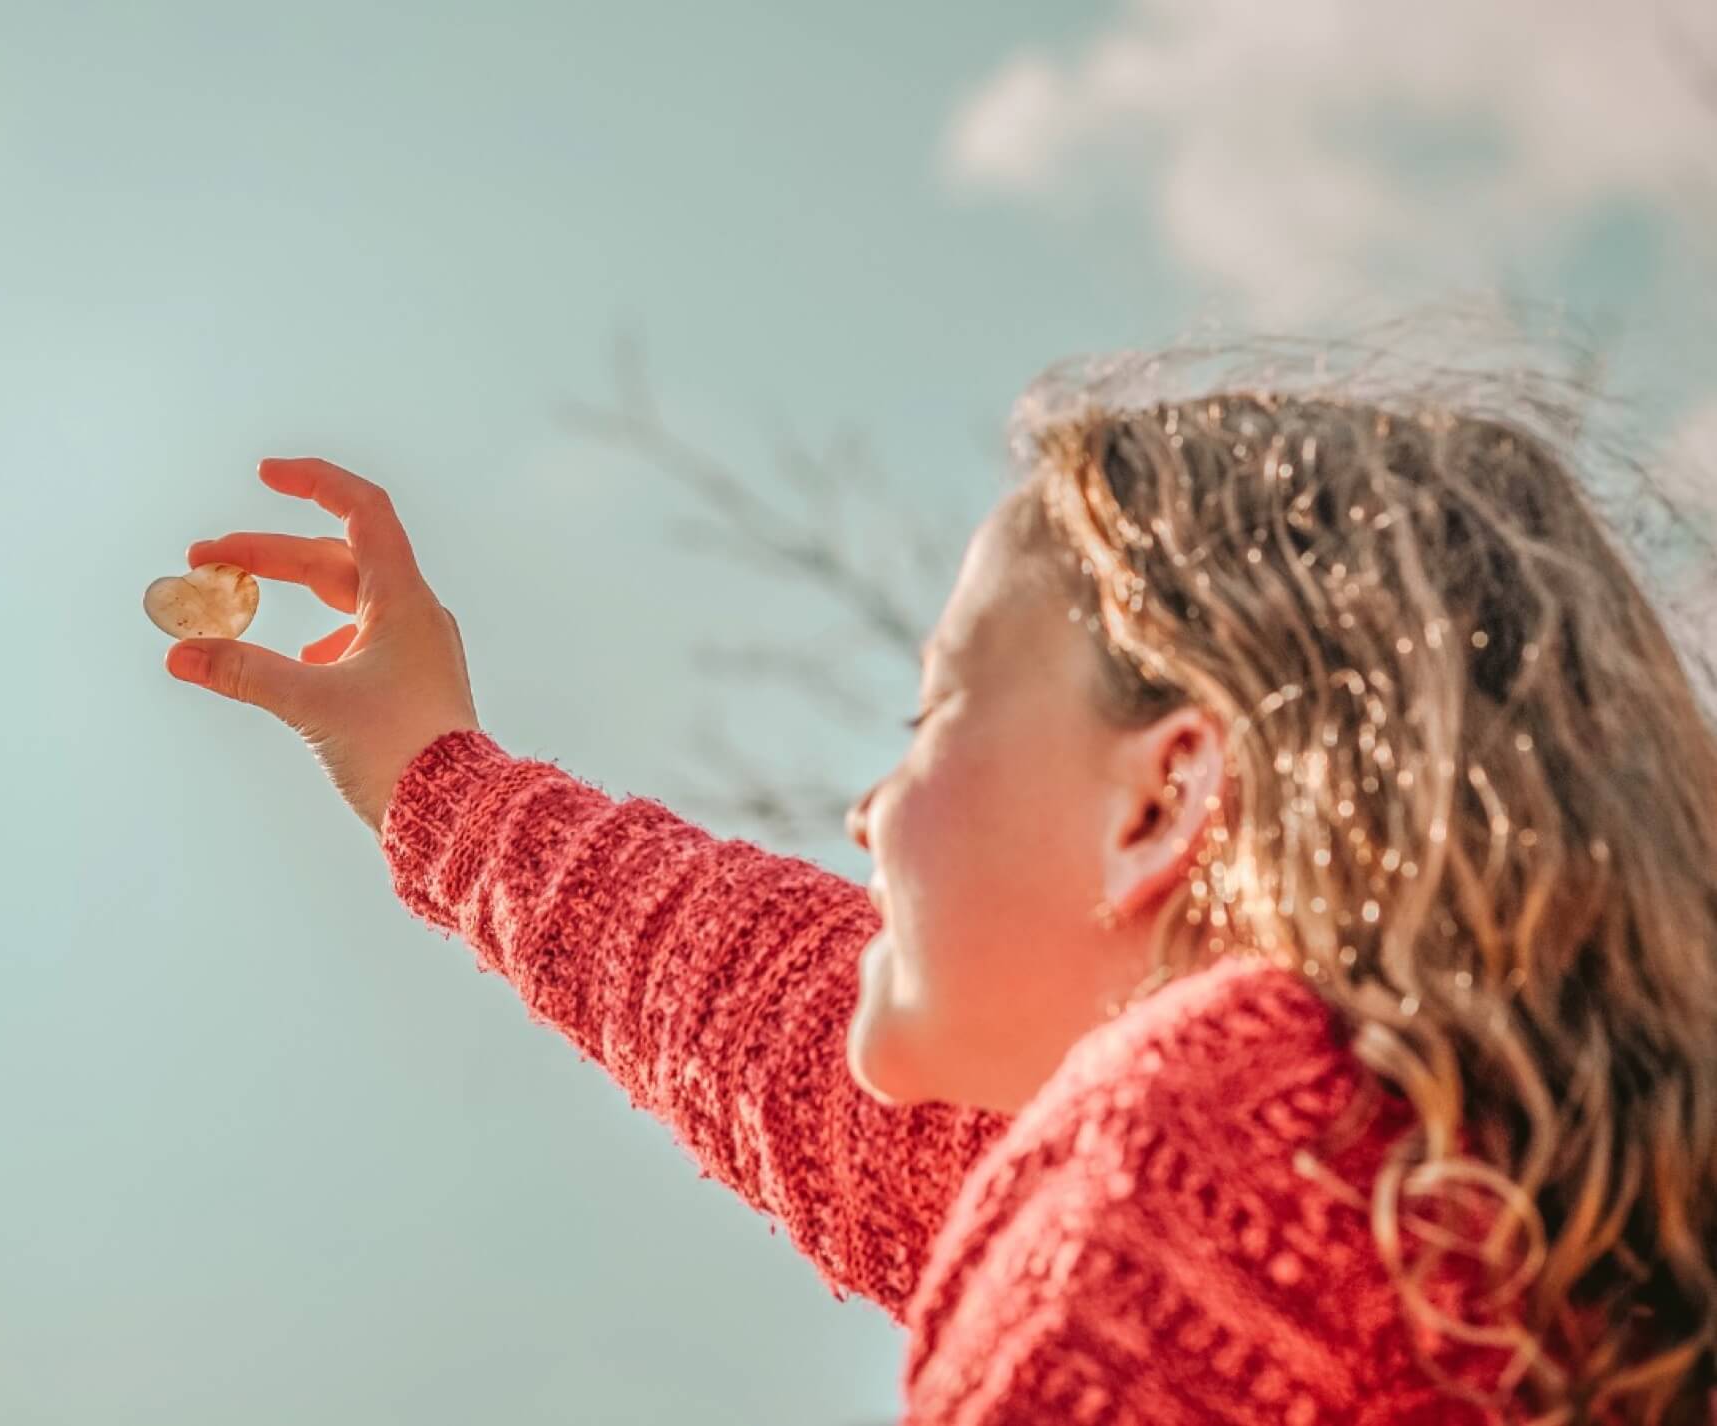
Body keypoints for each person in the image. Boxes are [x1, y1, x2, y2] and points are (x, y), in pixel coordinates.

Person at [162, 350, 1717, 1424]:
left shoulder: (1199, 1174)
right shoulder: (1441, 1218)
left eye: (932, 716)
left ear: (1160, 799)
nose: (870, 805)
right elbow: (774, 1023)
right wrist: (438, 780)